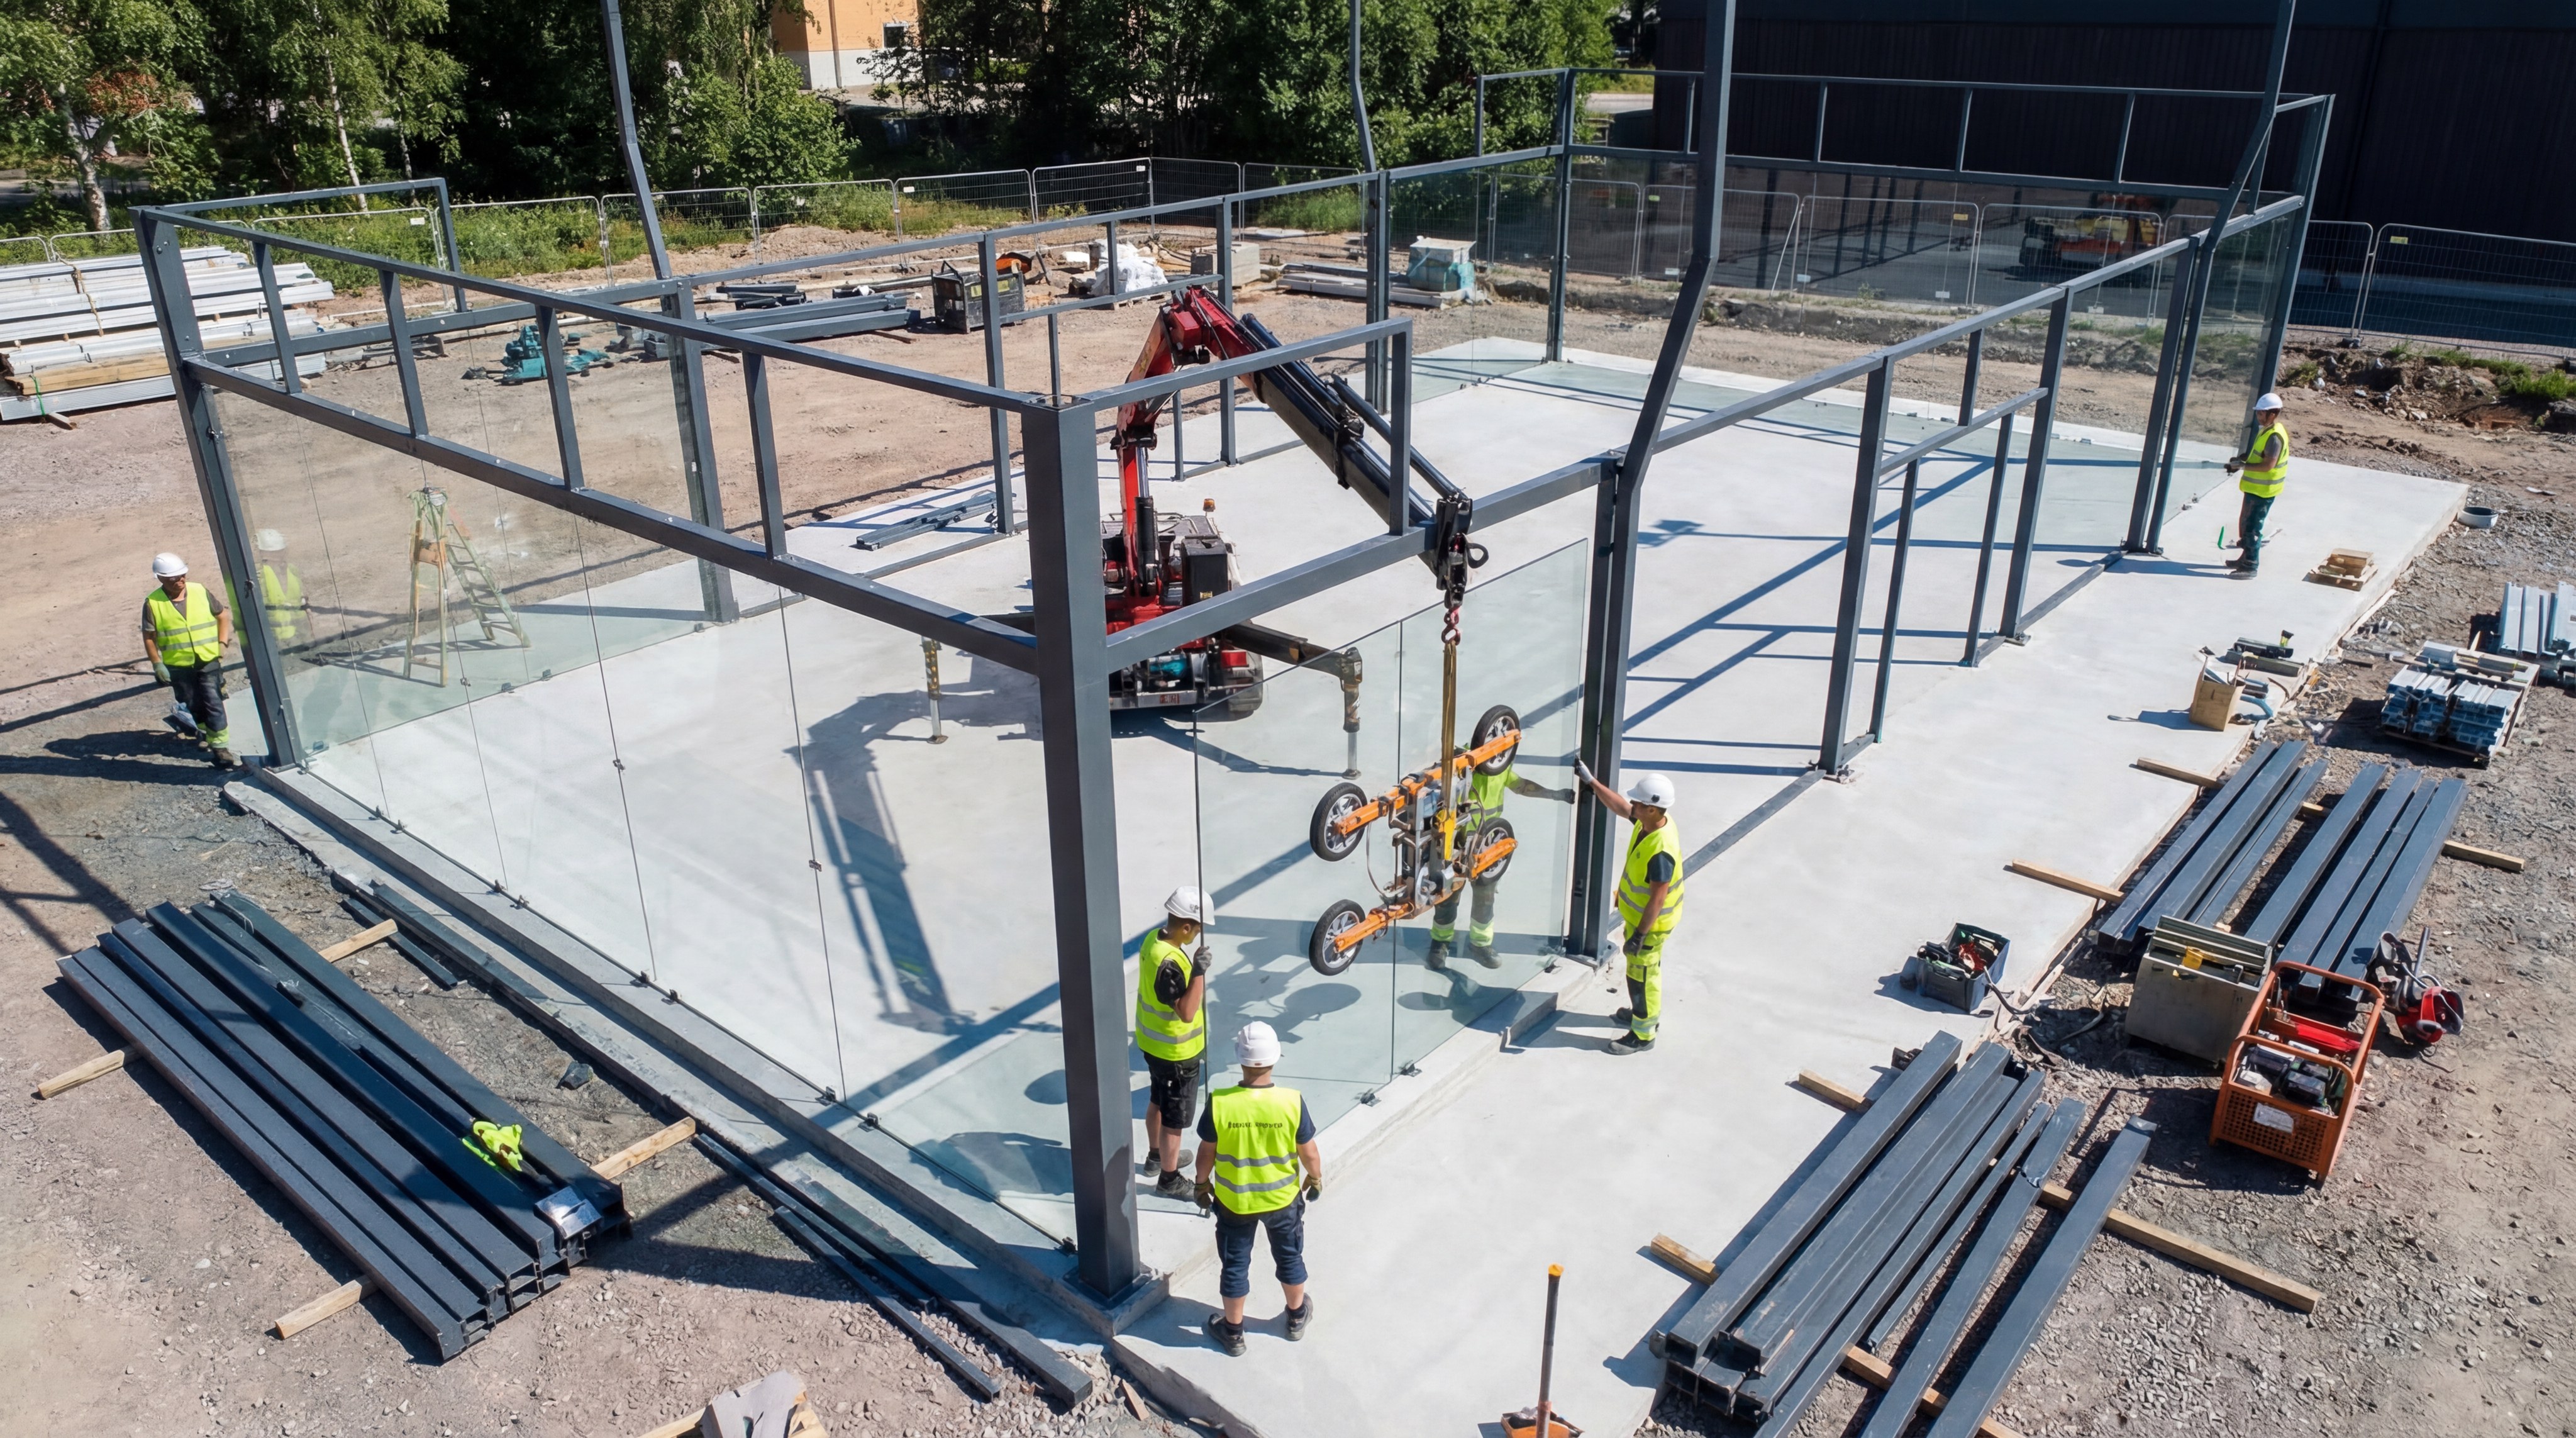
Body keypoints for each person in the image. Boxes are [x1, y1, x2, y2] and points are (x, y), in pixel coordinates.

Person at [1192, 1021, 1322, 1356]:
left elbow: (1206, 1151)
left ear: (1240, 1059)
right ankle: (1296, 1317)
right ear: (1275, 1058)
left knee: (1235, 1265)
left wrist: (1201, 1183)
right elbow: (1309, 1151)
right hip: (1282, 1201)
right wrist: (1316, 1177)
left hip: (1235, 1202)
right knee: (1290, 1256)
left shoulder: (1220, 1102)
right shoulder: (1291, 1101)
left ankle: (1233, 1332)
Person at [1575, 764, 1685, 1054]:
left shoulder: (1661, 851)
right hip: (1641, 921)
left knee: (1642, 974)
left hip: (1652, 926)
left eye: (1639, 802)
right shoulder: (1652, 821)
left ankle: (1643, 1034)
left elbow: (1657, 899)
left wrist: (1640, 936)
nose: (1633, 804)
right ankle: (1643, 1015)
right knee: (1642, 972)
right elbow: (1621, 807)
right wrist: (1592, 782)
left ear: (1652, 809)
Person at [1428, 759, 1575, 970]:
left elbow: (1523, 786)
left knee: (1485, 898)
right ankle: (1440, 942)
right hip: (1457, 844)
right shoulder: (1467, 763)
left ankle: (1481, 945)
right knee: (1448, 896)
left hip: (1488, 845)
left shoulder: (1501, 767)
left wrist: (1555, 794)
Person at [1136, 886, 1213, 1199]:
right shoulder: (1170, 963)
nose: (1198, 934)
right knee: (1174, 1119)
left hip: (1154, 1046)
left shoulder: (1154, 939)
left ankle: (1157, 1157)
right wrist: (1198, 971)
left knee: (1157, 1099)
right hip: (1177, 1054)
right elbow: (1186, 1011)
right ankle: (1169, 1178)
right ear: (1185, 927)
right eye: (1197, 928)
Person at [142, 552, 238, 769]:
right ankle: (205, 731)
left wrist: (222, 644)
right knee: (191, 701)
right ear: (160, 579)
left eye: (182, 575)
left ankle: (221, 748)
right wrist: (157, 664)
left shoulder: (199, 591)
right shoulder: (153, 603)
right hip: (179, 665)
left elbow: (222, 616)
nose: (180, 580)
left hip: (207, 658)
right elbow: (149, 636)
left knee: (214, 700)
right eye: (173, 578)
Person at [2222, 393, 2289, 577]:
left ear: (2273, 414)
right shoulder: (2267, 430)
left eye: (2262, 414)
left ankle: (2251, 566)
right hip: (2255, 489)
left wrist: (2244, 466)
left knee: (2252, 529)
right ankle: (2245, 558)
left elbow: (2268, 465)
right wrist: (2242, 460)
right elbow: (2257, 456)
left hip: (2263, 491)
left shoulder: (2274, 436)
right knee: (2245, 525)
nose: (2259, 417)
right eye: (2258, 413)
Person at [253, 529, 308, 646]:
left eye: (280, 552)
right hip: (278, 637)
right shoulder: (261, 575)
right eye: (274, 553)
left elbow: (304, 600)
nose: (278, 556)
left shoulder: (292, 570)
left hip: (301, 631)